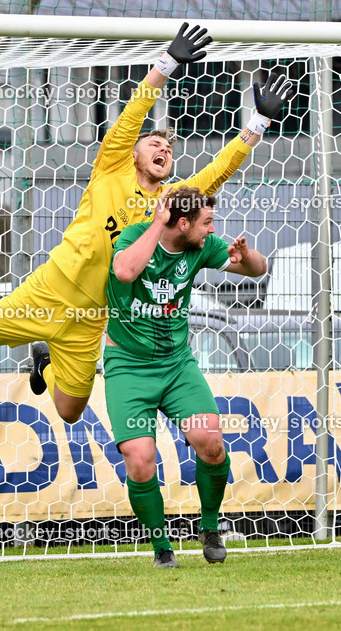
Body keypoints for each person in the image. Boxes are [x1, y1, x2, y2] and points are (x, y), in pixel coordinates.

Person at [0, 23, 293, 424]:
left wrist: (258, 123)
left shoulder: (169, 203)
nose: (163, 149)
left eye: (168, 148)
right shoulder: (110, 169)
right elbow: (134, 113)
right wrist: (166, 64)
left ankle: (43, 359)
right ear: (132, 154)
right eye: (154, 143)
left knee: (69, 411)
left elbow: (217, 171)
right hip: (52, 289)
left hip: (92, 315)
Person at [104, 186, 267, 568]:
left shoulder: (202, 246)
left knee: (211, 442)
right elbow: (125, 271)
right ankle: (161, 547)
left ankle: (209, 528)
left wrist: (247, 257)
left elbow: (258, 269)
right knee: (140, 459)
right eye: (207, 222)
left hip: (177, 365)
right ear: (182, 222)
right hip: (128, 365)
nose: (213, 229)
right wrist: (156, 224)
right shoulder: (134, 238)